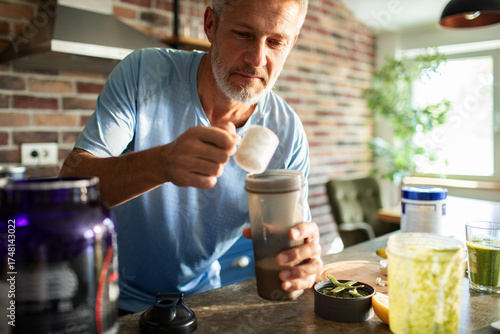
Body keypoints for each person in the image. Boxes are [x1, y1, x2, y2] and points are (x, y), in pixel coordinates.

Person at [59, 0, 322, 313]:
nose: (257, 59)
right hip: (107, 296)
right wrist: (163, 162)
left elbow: (294, 245)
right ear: (211, 25)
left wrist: (301, 263)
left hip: (203, 303)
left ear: (291, 42)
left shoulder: (288, 131)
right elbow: (70, 191)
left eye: (276, 42)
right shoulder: (143, 74)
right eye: (242, 34)